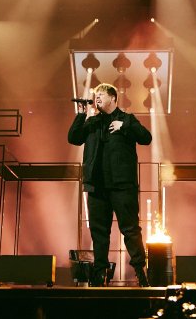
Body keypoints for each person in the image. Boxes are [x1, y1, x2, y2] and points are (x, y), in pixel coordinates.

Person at [67, 83, 152, 286]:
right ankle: (100, 274)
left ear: (113, 98)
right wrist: (81, 115)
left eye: (101, 95)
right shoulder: (93, 122)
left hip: (123, 186)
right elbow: (73, 138)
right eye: (95, 95)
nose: (96, 98)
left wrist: (126, 127)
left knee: (130, 230)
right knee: (99, 232)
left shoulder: (127, 119)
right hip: (97, 187)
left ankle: (141, 271)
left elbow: (146, 138)